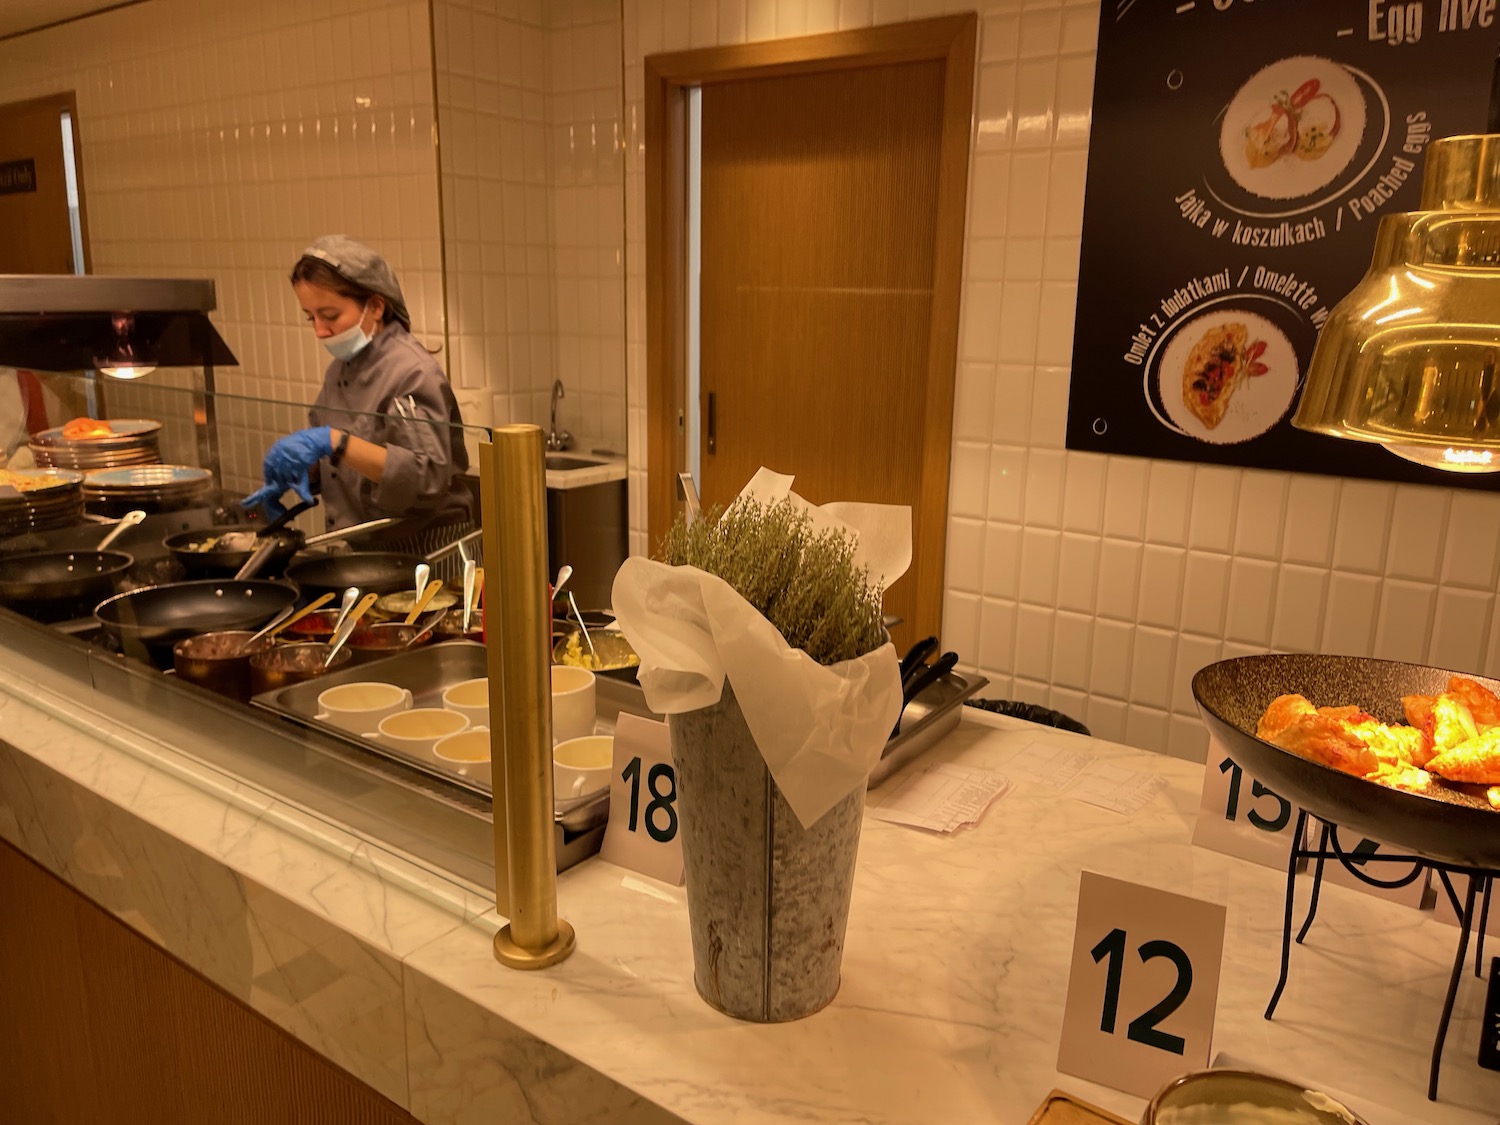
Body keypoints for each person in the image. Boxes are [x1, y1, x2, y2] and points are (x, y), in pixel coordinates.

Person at [243, 236, 470, 537]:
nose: (320, 331)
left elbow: (424, 479)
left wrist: (336, 442)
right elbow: (343, 467)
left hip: (422, 550)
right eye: (310, 317)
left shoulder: (412, 371)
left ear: (376, 306)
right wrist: (302, 470)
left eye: (330, 315)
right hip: (365, 549)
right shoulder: (340, 370)